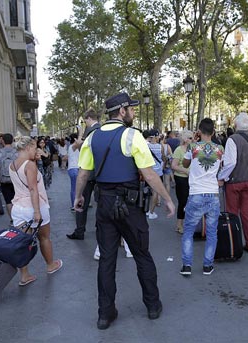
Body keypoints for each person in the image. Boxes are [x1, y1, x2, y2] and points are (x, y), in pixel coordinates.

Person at [74, 92, 175, 330]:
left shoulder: (92, 137)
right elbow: (149, 174)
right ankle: (152, 306)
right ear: (122, 111)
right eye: (131, 108)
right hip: (130, 206)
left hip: (105, 205)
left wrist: (79, 196)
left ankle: (104, 314)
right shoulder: (132, 136)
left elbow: (83, 173)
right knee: (142, 255)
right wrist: (167, 199)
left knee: (107, 260)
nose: (133, 112)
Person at [10, 136, 63, 286]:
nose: (36, 150)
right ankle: (50, 265)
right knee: (44, 238)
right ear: (27, 148)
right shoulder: (30, 166)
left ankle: (24, 275)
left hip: (18, 207)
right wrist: (37, 212)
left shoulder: (12, 164)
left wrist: (35, 160)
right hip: (33, 207)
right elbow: (33, 189)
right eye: (34, 148)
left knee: (21, 242)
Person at [180, 118, 224, 276]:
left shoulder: (192, 147)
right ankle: (207, 265)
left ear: (199, 131)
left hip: (196, 193)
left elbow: (184, 164)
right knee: (212, 232)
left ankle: (187, 266)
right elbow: (222, 167)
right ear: (213, 132)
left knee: (188, 231)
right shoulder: (220, 149)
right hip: (213, 193)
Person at [218, 113, 248, 254]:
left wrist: (222, 177)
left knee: (232, 213)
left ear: (235, 124)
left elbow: (230, 163)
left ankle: (234, 243)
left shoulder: (232, 139)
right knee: (247, 212)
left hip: (234, 181)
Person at [66, 108, 101, 240]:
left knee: (81, 201)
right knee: (100, 203)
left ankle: (80, 230)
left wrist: (80, 134)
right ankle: (100, 229)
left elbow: (82, 148)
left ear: (88, 119)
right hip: (100, 173)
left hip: (88, 172)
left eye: (84, 120)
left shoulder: (90, 132)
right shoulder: (102, 131)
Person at [171, 130, 193, 234]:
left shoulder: (193, 149)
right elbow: (173, 166)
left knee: (191, 201)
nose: (192, 140)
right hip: (180, 178)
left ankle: (189, 224)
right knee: (183, 202)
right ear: (185, 139)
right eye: (190, 138)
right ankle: (179, 224)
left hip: (191, 179)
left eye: (192, 138)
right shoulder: (179, 150)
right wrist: (186, 171)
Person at [0, 133, 17, 222]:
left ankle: (12, 219)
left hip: (4, 179)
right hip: (16, 179)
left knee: (8, 201)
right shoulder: (17, 152)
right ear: (12, 141)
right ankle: (18, 218)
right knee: (17, 199)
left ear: (2, 141)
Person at [145, 129, 164, 219]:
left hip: (148, 171)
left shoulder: (145, 145)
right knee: (155, 192)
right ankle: (151, 212)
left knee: (144, 191)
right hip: (158, 172)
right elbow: (163, 158)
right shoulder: (161, 147)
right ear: (156, 137)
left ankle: (144, 208)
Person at [67, 132, 82, 210]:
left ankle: (75, 204)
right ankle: (74, 205)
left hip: (74, 169)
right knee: (75, 188)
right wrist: (80, 132)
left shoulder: (72, 147)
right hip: (74, 169)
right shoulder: (73, 146)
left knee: (75, 188)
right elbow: (79, 142)